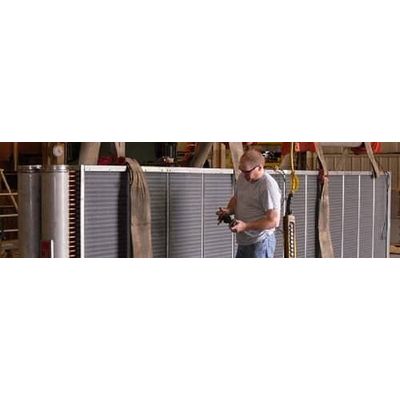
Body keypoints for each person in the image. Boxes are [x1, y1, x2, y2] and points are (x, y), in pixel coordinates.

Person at [217, 149, 281, 258]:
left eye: (247, 171)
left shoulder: (267, 186)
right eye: (241, 170)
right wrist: (228, 210)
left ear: (259, 167)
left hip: (260, 242)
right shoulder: (243, 177)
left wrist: (246, 226)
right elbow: (237, 198)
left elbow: (273, 221)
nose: (244, 174)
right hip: (244, 241)